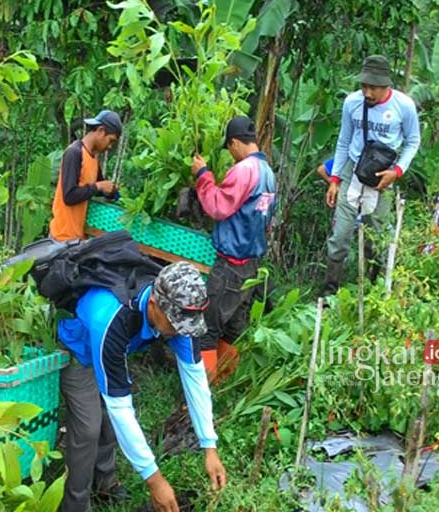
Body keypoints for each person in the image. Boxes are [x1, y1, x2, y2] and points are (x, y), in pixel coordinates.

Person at [58, 261, 227, 512]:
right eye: (175, 325)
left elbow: (195, 380)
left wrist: (209, 446)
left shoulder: (180, 321)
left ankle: (105, 485)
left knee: (108, 422)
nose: (179, 332)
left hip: (114, 348)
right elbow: (121, 408)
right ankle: (74, 505)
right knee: (88, 429)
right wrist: (154, 479)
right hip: (78, 348)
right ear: (154, 305)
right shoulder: (113, 318)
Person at [323, 55, 421, 293]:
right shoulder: (352, 103)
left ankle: (371, 289)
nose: (367, 92)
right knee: (340, 235)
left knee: (376, 237)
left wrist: (397, 172)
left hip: (382, 177)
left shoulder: (404, 106)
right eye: (364, 86)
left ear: (386, 85)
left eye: (373, 88)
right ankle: (328, 290)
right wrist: (335, 180)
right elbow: (344, 141)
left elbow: (413, 141)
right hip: (353, 170)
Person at [191, 116, 276, 382]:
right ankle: (226, 384)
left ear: (236, 143)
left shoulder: (244, 170)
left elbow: (218, 207)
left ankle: (205, 391)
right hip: (251, 265)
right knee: (234, 327)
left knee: (208, 327)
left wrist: (203, 175)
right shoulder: (268, 173)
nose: (230, 154)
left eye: (229, 148)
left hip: (230, 264)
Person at [49, 110, 122, 241]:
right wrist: (99, 186)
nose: (110, 146)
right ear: (100, 130)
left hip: (78, 237)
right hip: (62, 237)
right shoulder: (74, 153)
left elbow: (96, 188)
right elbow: (69, 196)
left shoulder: (93, 159)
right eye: (111, 140)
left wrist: (110, 191)